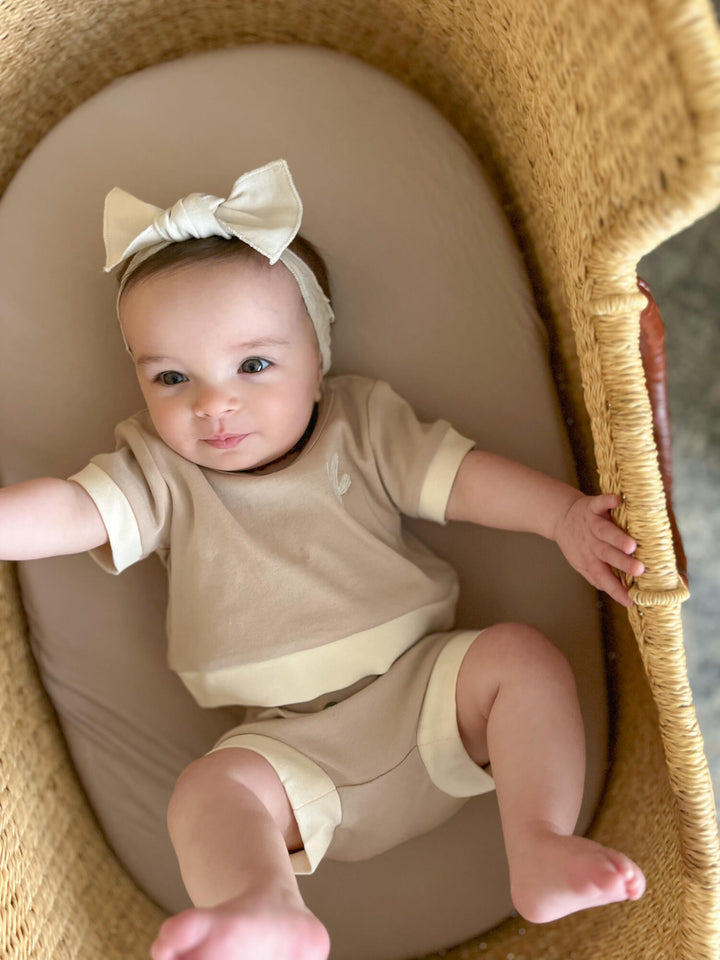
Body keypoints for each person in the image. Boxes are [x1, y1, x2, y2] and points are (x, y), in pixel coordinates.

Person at [0, 160, 646, 960]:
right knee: (208, 792)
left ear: (318, 359)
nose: (212, 403)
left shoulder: (362, 425)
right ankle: (265, 902)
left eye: (254, 365)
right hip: (285, 753)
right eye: (171, 377)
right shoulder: (158, 472)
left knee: (522, 659)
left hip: (428, 690)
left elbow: (462, 481)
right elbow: (68, 509)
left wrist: (559, 519)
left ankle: (540, 841)